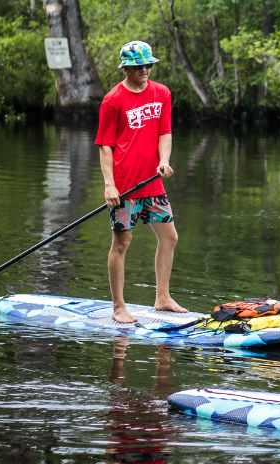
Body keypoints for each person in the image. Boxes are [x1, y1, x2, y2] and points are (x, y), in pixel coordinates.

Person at [95, 40, 187, 323]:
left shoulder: (162, 93)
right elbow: (105, 146)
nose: (145, 69)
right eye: (138, 66)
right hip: (125, 187)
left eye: (148, 64)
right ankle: (119, 307)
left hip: (152, 183)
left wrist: (164, 160)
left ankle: (162, 298)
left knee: (169, 237)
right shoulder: (113, 99)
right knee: (122, 243)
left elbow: (165, 132)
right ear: (126, 68)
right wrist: (110, 185)